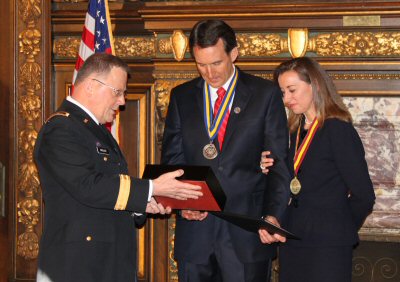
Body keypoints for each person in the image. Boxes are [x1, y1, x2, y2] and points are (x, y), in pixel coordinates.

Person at [34, 53, 203, 282]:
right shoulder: (61, 129)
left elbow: (110, 192)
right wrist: (152, 187)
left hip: (105, 263)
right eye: (118, 92)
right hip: (77, 266)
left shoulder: (95, 130)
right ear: (92, 86)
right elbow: (88, 186)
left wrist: (144, 204)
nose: (122, 101)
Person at [161, 19, 291, 282]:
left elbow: (279, 163)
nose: (210, 73)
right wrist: (182, 204)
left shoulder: (264, 95)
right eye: (201, 64)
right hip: (196, 233)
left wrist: (273, 215)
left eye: (216, 63)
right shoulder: (181, 96)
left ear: (234, 53)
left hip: (246, 232)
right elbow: (173, 161)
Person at [260, 57, 376, 282]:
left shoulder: (337, 130)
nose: (286, 99)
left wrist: (337, 226)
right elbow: (291, 184)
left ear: (315, 84)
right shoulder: (291, 133)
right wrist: (267, 170)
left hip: (328, 246)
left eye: (292, 90)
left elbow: (364, 195)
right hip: (291, 240)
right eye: (282, 92)